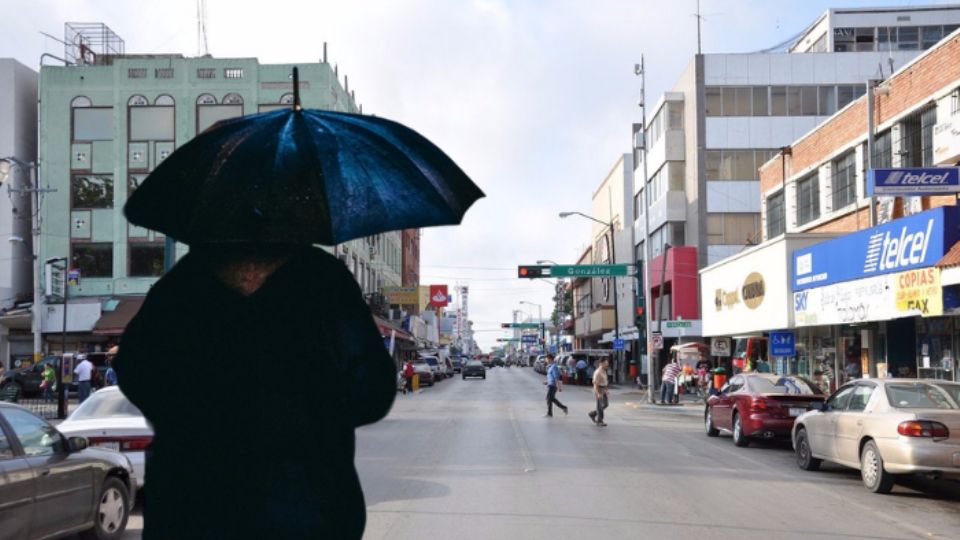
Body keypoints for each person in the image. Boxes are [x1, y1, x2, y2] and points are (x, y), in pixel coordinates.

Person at [114, 243, 396, 539]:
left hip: (191, 504)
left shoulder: (185, 280)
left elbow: (134, 368)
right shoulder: (323, 277)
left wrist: (189, 417)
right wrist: (314, 415)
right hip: (307, 504)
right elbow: (374, 390)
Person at [589, 357, 610, 426]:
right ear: (601, 363)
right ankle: (599, 420)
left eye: (607, 363)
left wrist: (606, 390)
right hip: (599, 389)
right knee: (600, 406)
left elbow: (605, 381)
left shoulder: (604, 371)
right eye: (605, 363)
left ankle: (593, 414)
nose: (607, 365)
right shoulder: (597, 372)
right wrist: (598, 393)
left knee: (606, 404)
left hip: (603, 388)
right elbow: (595, 384)